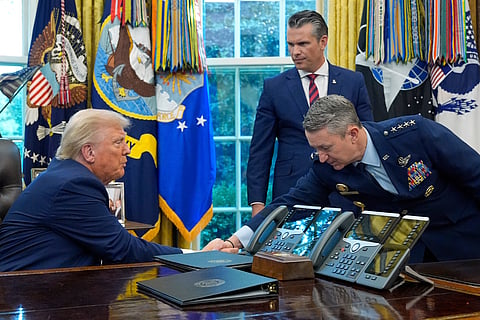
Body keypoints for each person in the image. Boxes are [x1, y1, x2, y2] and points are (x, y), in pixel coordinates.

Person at [205, 94, 480, 263]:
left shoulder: (414, 134)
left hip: (464, 245)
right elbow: (288, 205)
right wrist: (234, 241)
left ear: (352, 133)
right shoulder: (327, 169)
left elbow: (475, 175)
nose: (321, 157)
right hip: (407, 260)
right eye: (315, 149)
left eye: (325, 148)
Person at [0, 109, 182, 271]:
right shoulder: (73, 185)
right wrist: (189, 256)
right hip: (19, 294)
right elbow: (123, 249)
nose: (127, 150)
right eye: (118, 142)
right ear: (89, 152)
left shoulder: (65, 175)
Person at [247, 10, 374, 217]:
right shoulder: (274, 88)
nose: (295, 51)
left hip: (345, 191)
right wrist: (258, 205)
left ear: (323, 41)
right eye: (291, 44)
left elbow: (367, 136)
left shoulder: (353, 82)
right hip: (291, 191)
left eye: (302, 44)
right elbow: (260, 151)